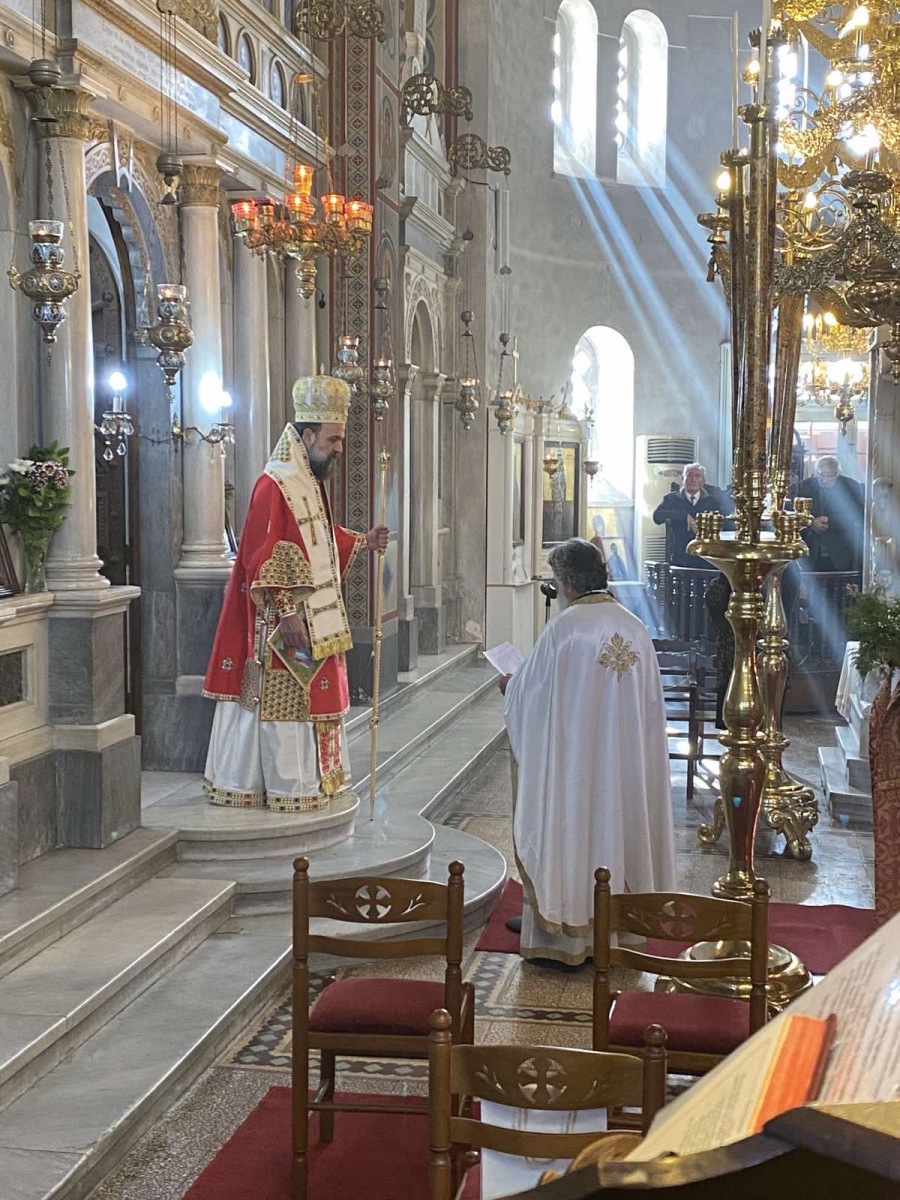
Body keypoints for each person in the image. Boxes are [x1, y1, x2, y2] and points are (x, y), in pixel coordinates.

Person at [201, 375, 389, 812]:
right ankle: (285, 785)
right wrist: (286, 612)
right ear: (306, 436)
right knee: (284, 701)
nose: (339, 448)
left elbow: (316, 538)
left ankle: (314, 782)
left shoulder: (307, 481)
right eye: (333, 439)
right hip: (280, 625)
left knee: (313, 698)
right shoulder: (274, 484)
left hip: (314, 617)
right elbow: (259, 553)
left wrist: (362, 541)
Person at [501, 538, 675, 966]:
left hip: (576, 766)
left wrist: (510, 686)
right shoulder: (635, 627)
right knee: (619, 824)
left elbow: (531, 696)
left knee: (572, 829)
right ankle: (619, 926)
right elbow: (651, 710)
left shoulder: (565, 628)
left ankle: (566, 931)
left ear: (566, 583)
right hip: (625, 766)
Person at [652, 463, 733, 568]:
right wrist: (683, 516)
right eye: (689, 475)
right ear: (683, 479)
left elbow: (724, 526)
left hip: (705, 559)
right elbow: (657, 517)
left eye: (697, 476)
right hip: (680, 558)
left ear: (703, 481)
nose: (693, 479)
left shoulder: (712, 502)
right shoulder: (672, 499)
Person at [796, 455, 864, 572]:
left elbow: (856, 513)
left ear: (837, 474)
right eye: (821, 475)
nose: (824, 480)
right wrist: (812, 522)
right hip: (810, 549)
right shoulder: (804, 486)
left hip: (839, 549)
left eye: (830, 476)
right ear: (816, 472)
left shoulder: (851, 486)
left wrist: (829, 521)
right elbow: (794, 512)